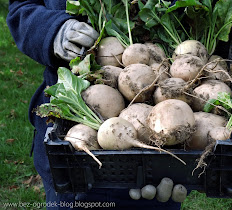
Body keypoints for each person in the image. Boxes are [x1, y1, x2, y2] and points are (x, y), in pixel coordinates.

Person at [7, 0, 182, 209]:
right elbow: (22, 7)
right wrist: (52, 31)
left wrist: (181, 160)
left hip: (160, 150)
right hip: (73, 154)